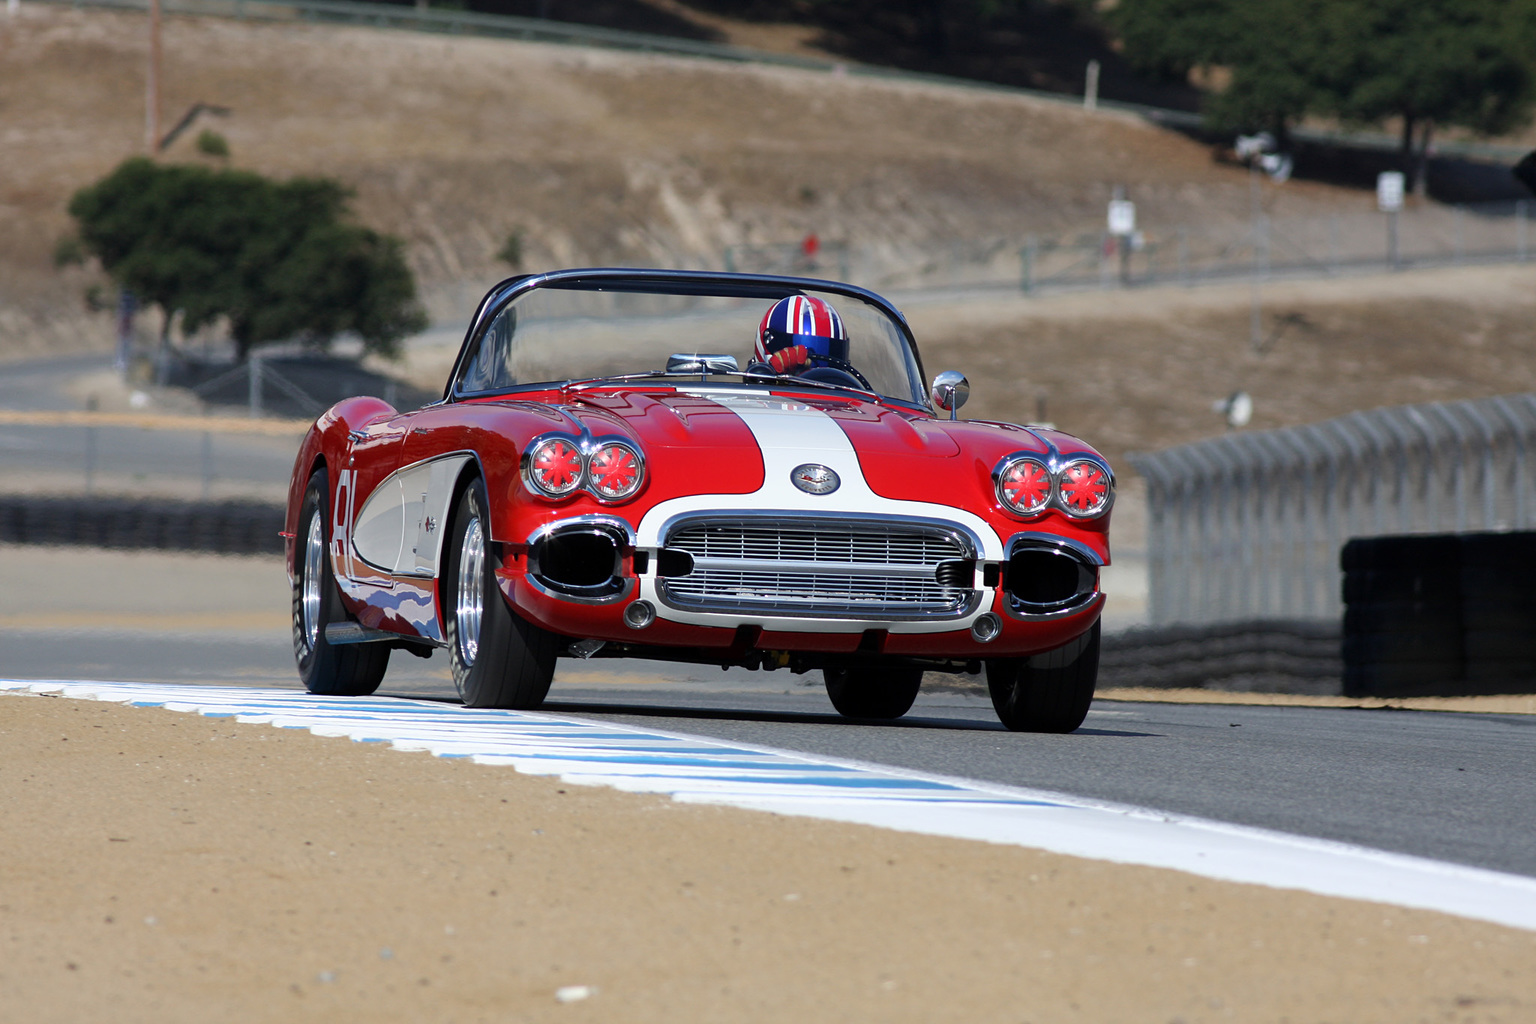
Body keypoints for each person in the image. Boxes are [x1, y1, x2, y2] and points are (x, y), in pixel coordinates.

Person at [749, 295, 853, 378]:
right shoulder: (748, 399)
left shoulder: (850, 397)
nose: (811, 365)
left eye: (832, 350)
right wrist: (769, 375)